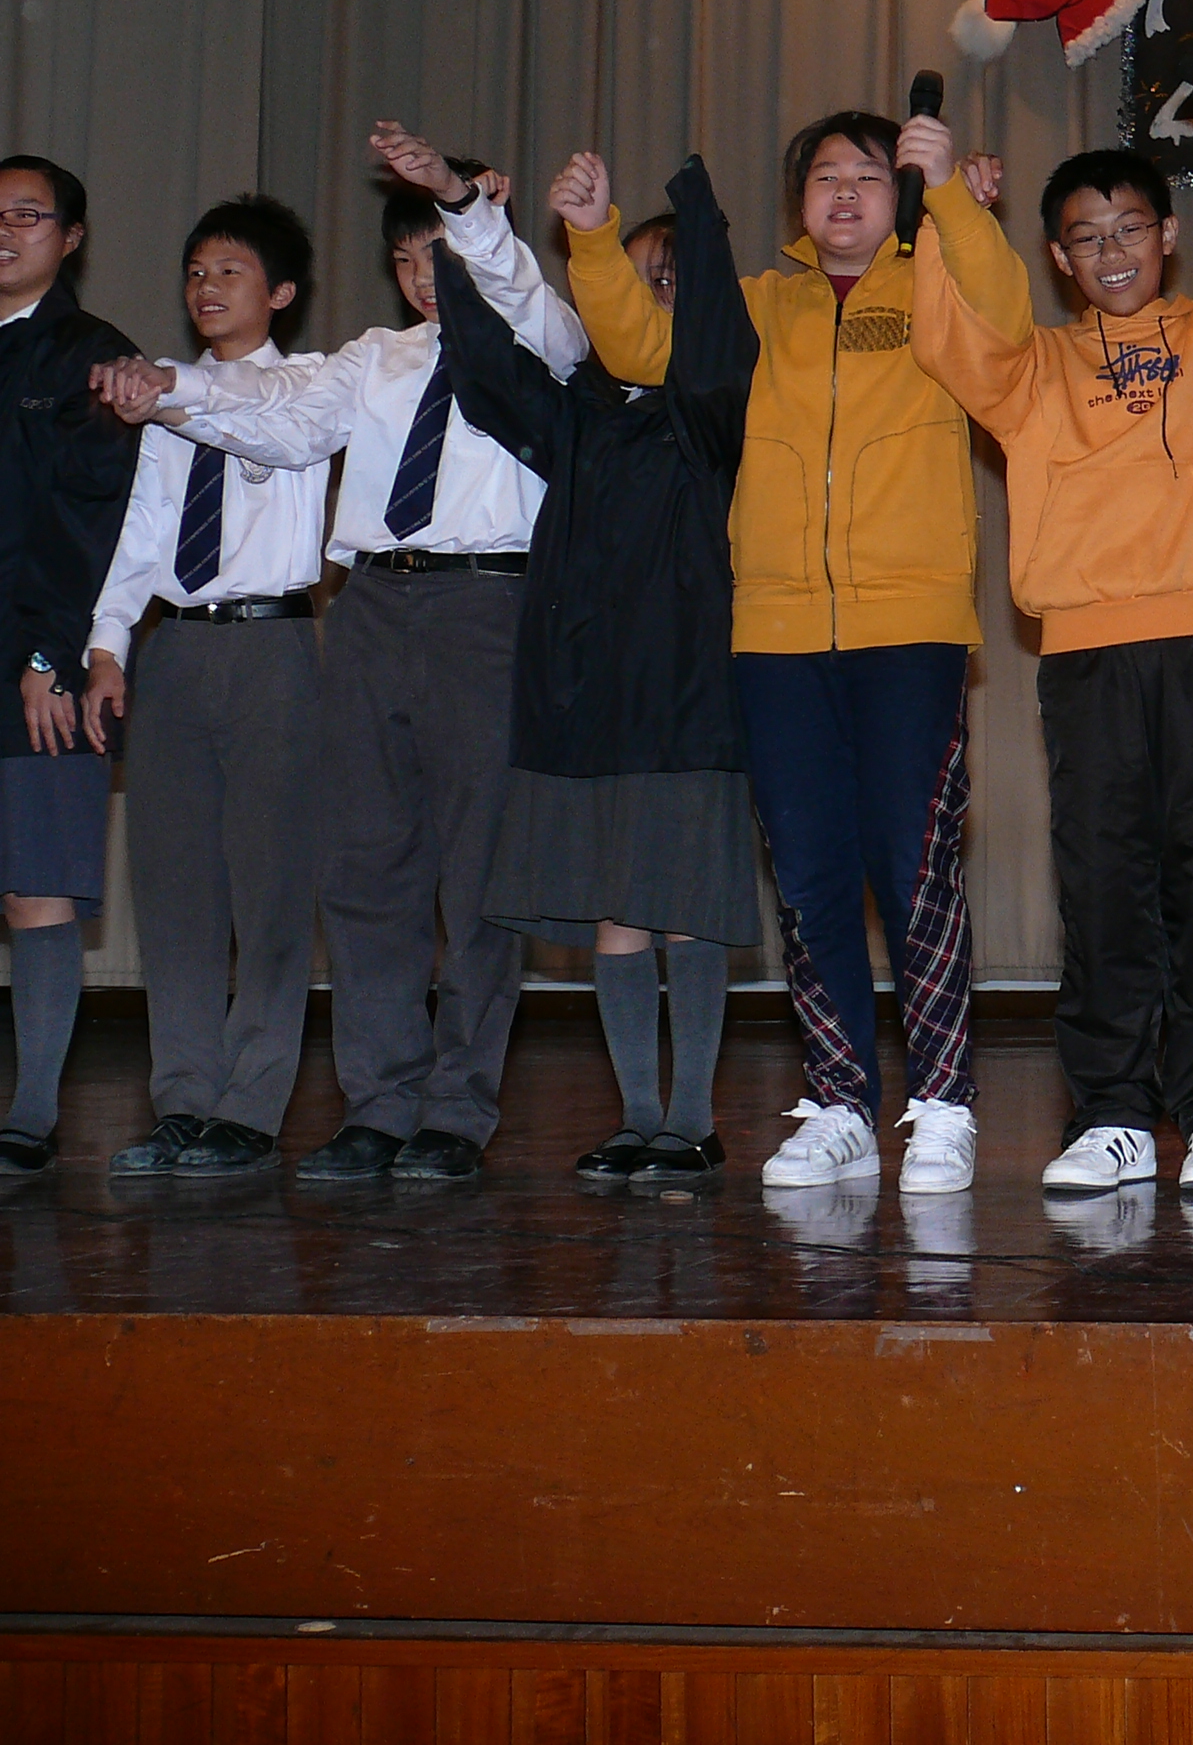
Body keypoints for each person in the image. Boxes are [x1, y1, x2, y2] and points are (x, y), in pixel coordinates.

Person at [92, 126, 589, 1181]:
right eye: (405, 260)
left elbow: (512, 282)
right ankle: (378, 1103)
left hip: (488, 606)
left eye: (439, 253)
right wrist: (168, 389)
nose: (423, 278)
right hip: (368, 608)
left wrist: (458, 201)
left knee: (477, 870)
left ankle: (456, 1111)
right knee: (366, 867)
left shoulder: (538, 337)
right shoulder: (372, 359)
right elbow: (279, 423)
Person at [559, 112, 987, 1198]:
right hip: (777, 632)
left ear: (900, 193)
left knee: (916, 871)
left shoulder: (935, 282)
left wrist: (956, 208)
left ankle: (943, 1106)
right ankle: (841, 1102)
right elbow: (642, 350)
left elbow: (1006, 318)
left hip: (911, 625)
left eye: (867, 176)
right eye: (824, 176)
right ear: (799, 202)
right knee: (807, 875)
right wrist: (595, 239)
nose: (844, 192)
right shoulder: (756, 304)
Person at [909, 63, 1193, 1200]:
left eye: (1132, 228)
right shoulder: (1034, 368)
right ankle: (1113, 1116)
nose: (1113, 251)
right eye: (1087, 239)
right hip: (1083, 653)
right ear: (1059, 260)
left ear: (1169, 236)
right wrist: (942, 215)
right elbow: (946, 340)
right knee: (1102, 885)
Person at [445, 158, 758, 1187]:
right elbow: (491, 377)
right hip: (583, 686)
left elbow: (711, 347)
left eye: (669, 278)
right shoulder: (578, 403)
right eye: (631, 278)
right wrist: (456, 249)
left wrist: (699, 216)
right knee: (615, 908)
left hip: (690, 686)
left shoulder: (714, 403)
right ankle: (637, 1119)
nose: (646, 294)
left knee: (686, 901)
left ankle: (692, 1121)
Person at [86, 196, 331, 1178]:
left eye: (230, 271)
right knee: (174, 886)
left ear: (281, 292)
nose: (206, 287)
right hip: (176, 651)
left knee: (271, 888)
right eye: (195, 271)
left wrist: (170, 393)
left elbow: (270, 432)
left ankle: (252, 1104)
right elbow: (142, 532)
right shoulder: (163, 396)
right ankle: (183, 1100)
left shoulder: (308, 382)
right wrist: (108, 644)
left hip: (273, 649)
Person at [0, 155, 141, 1173]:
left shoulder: (93, 356)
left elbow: (93, 520)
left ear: (72, 237)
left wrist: (53, 652)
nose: (5, 231)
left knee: (35, 888)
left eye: (28, 215)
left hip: (33, 658)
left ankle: (33, 1113)